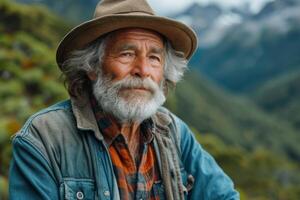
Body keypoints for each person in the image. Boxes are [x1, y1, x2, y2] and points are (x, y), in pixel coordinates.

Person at [9, 0, 239, 199]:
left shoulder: (174, 133)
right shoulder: (44, 138)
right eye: (127, 54)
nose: (143, 70)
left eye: (154, 58)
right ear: (92, 66)